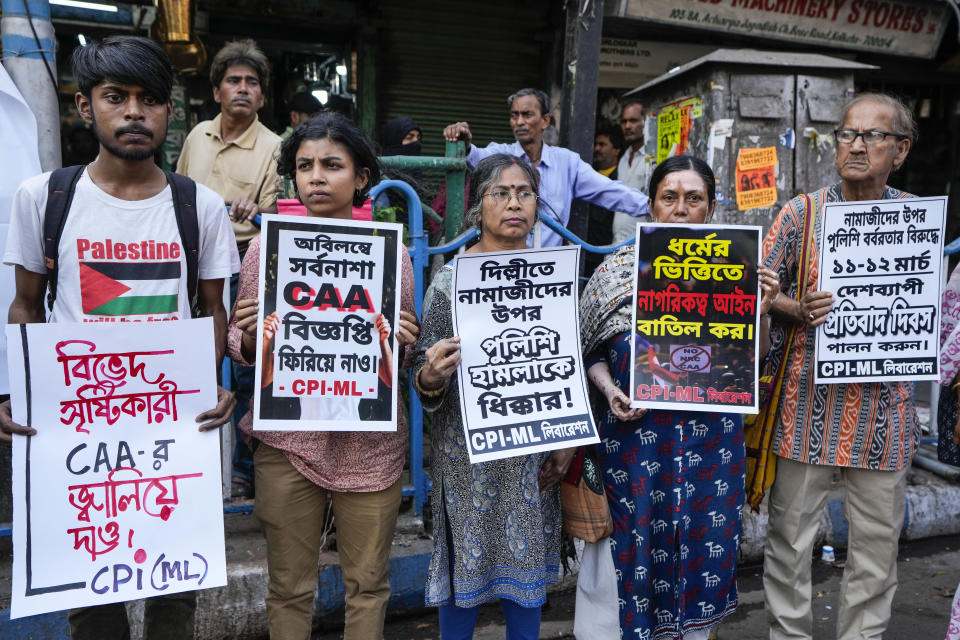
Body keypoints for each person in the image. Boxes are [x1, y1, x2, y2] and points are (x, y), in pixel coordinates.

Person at [0, 35, 239, 639]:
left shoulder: (200, 208)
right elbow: (25, 304)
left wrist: (212, 385)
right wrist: (16, 394)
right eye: (116, 97)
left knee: (175, 601)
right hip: (79, 437)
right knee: (93, 603)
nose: (134, 112)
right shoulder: (44, 199)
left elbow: (213, 310)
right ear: (86, 108)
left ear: (168, 111)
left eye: (149, 99)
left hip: (174, 434)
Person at [227, 112, 420, 640]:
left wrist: (402, 340)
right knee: (288, 587)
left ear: (360, 179)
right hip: (288, 442)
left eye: (332, 165)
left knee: (368, 586)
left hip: (370, 447)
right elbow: (242, 349)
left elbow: (396, 361)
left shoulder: (391, 256)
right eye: (305, 165)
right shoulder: (265, 250)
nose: (316, 177)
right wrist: (248, 336)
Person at [574, 156, 780, 640]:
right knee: (626, 558)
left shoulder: (736, 268)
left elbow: (758, 357)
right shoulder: (618, 271)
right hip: (635, 450)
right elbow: (589, 352)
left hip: (709, 453)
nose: (681, 209)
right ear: (651, 206)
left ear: (711, 209)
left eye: (694, 199)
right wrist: (610, 389)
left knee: (698, 558)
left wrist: (764, 312)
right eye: (670, 197)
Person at [760, 92, 916, 640]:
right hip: (806, 407)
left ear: (900, 150)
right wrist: (795, 307)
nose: (855, 144)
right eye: (847, 134)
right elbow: (759, 289)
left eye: (872, 136)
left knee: (875, 550)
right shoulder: (802, 213)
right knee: (789, 543)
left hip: (884, 414)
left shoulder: (913, 221)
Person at [412, 153, 575, 639]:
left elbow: (566, 366)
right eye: (499, 194)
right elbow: (422, 371)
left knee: (525, 586)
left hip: (531, 458)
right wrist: (432, 375)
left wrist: (566, 441)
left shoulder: (554, 280)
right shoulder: (450, 283)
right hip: (466, 460)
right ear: (477, 208)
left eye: (524, 193)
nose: (514, 204)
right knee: (463, 576)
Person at [177, 38, 282, 498]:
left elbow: (278, 219)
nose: (242, 89)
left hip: (242, 263)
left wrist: (254, 209)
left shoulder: (276, 147)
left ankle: (243, 469)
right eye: (233, 80)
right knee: (184, 360)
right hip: (190, 262)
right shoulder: (196, 135)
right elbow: (176, 191)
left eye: (251, 83)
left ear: (261, 95)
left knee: (244, 370)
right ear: (217, 90)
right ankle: (182, 461)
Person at [443, 88, 649, 247]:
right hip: (504, 264)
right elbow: (475, 156)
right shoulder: (501, 155)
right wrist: (464, 143)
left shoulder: (567, 163)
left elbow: (610, 192)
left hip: (550, 273)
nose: (519, 122)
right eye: (514, 115)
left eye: (527, 115)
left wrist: (652, 206)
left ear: (545, 120)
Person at [612, 99, 654, 243]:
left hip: (642, 242)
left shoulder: (653, 158)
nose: (627, 126)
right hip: (617, 242)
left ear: (645, 122)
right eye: (624, 122)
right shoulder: (624, 157)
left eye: (633, 121)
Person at [586, 126, 625, 274]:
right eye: (596, 144)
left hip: (606, 247)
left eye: (602, 145)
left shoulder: (621, 177)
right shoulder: (589, 173)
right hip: (587, 247)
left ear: (616, 150)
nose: (597, 148)